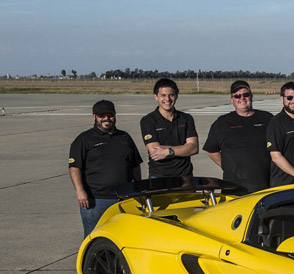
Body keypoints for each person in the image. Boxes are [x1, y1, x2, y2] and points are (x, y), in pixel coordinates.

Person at [68, 100, 142, 237]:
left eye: (110, 115)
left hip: (124, 199)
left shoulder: (125, 137)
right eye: (102, 115)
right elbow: (75, 167)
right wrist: (80, 191)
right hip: (96, 200)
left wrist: (137, 189)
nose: (106, 118)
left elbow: (135, 165)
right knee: (94, 238)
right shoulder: (84, 139)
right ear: (94, 117)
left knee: (123, 237)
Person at [203, 80, 273, 193]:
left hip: (264, 185)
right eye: (237, 96)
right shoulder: (222, 123)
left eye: (246, 94)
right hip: (233, 186)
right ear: (232, 100)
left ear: (251, 96)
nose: (242, 98)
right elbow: (210, 150)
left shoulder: (267, 118)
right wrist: (227, 166)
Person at [139, 78, 198, 178]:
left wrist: (168, 151)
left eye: (171, 95)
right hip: (159, 176)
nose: (167, 99)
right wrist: (184, 148)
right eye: (163, 95)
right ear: (156, 97)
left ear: (176, 96)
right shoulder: (148, 121)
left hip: (185, 176)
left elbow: (194, 148)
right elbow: (155, 151)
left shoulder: (186, 118)